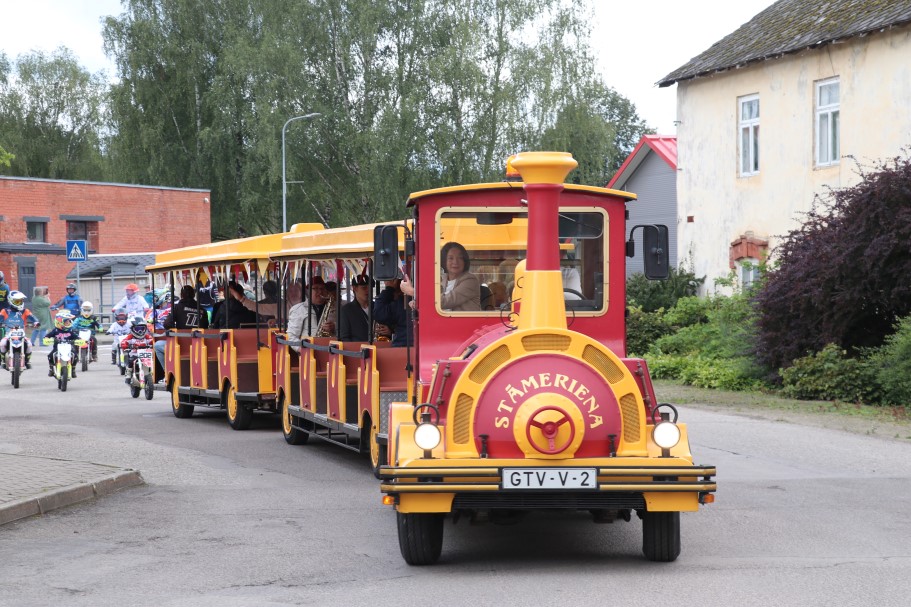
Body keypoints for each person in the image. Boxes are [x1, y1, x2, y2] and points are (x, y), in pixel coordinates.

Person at [156, 285, 209, 371]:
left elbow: (167, 324)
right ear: (193, 295)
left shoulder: (178, 307)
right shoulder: (203, 309)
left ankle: (168, 372)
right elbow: (206, 327)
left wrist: (175, 329)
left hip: (181, 345)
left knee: (157, 345)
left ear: (181, 295)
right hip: (199, 345)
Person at [286, 276, 333, 350]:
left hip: (330, 351)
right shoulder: (298, 309)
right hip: (307, 353)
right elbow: (291, 336)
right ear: (308, 291)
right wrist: (302, 350)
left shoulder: (333, 308)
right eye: (316, 288)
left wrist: (334, 327)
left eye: (322, 289)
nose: (320, 292)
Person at [0, 291, 39, 369]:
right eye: (17, 301)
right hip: (9, 333)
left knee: (29, 344)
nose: (19, 303)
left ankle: (27, 361)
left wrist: (36, 322)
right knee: (2, 343)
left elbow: (32, 317)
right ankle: (3, 360)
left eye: (21, 301)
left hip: (21, 333)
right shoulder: (5, 311)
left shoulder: (25, 311)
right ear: (11, 301)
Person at [373, 269, 412, 347]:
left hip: (403, 348)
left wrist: (389, 288)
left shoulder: (403, 302)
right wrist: (391, 330)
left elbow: (379, 313)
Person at [440, 241, 480, 311]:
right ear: (444, 261)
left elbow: (444, 302)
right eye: (451, 258)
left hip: (466, 322)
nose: (455, 262)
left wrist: (419, 294)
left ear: (465, 261)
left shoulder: (470, 280)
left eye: (460, 258)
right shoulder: (442, 279)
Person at [44, 310, 79, 377]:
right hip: (57, 348)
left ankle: (73, 369)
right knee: (50, 356)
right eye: (66, 322)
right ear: (60, 323)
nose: (68, 323)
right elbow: (48, 335)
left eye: (69, 321)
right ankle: (51, 368)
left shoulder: (70, 331)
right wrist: (46, 338)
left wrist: (79, 340)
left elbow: (76, 336)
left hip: (68, 348)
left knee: (75, 356)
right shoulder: (56, 330)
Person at [120, 317, 155, 385]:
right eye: (137, 329)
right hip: (134, 354)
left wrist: (153, 344)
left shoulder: (147, 337)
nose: (140, 331)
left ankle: (155, 373)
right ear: (133, 329)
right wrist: (127, 345)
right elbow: (123, 342)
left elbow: (152, 341)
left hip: (146, 355)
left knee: (154, 360)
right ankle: (128, 374)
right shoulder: (130, 337)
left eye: (142, 329)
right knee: (130, 361)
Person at [338, 275, 372, 342]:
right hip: (358, 350)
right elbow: (344, 337)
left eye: (370, 287)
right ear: (355, 288)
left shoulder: (376, 307)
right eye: (364, 288)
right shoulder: (346, 310)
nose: (368, 291)